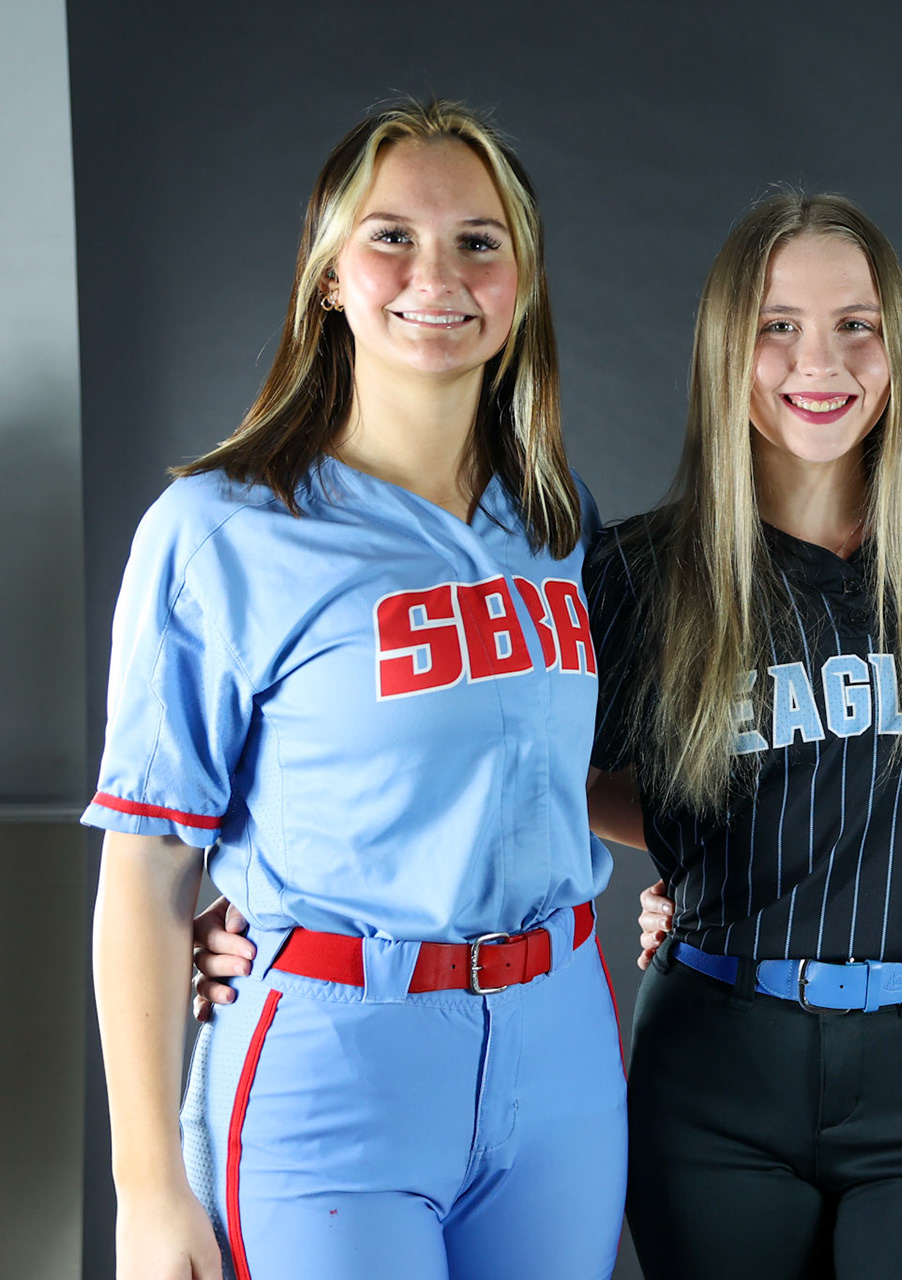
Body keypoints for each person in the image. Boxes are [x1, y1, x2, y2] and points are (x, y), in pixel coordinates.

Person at [88, 100, 625, 1280]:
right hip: (337, 1058)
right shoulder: (220, 529)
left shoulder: (558, 521)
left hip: (562, 1051)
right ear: (329, 273)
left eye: (479, 240)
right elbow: (145, 868)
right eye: (392, 236)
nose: (436, 274)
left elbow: (551, 770)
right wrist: (147, 1187)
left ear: (523, 279)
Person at [584, 192, 902, 1279]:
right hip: (717, 1050)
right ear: (724, 346)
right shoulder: (643, 570)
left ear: (897, 348)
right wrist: (686, 847)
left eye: (857, 324)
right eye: (777, 324)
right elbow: (544, 774)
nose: (820, 360)